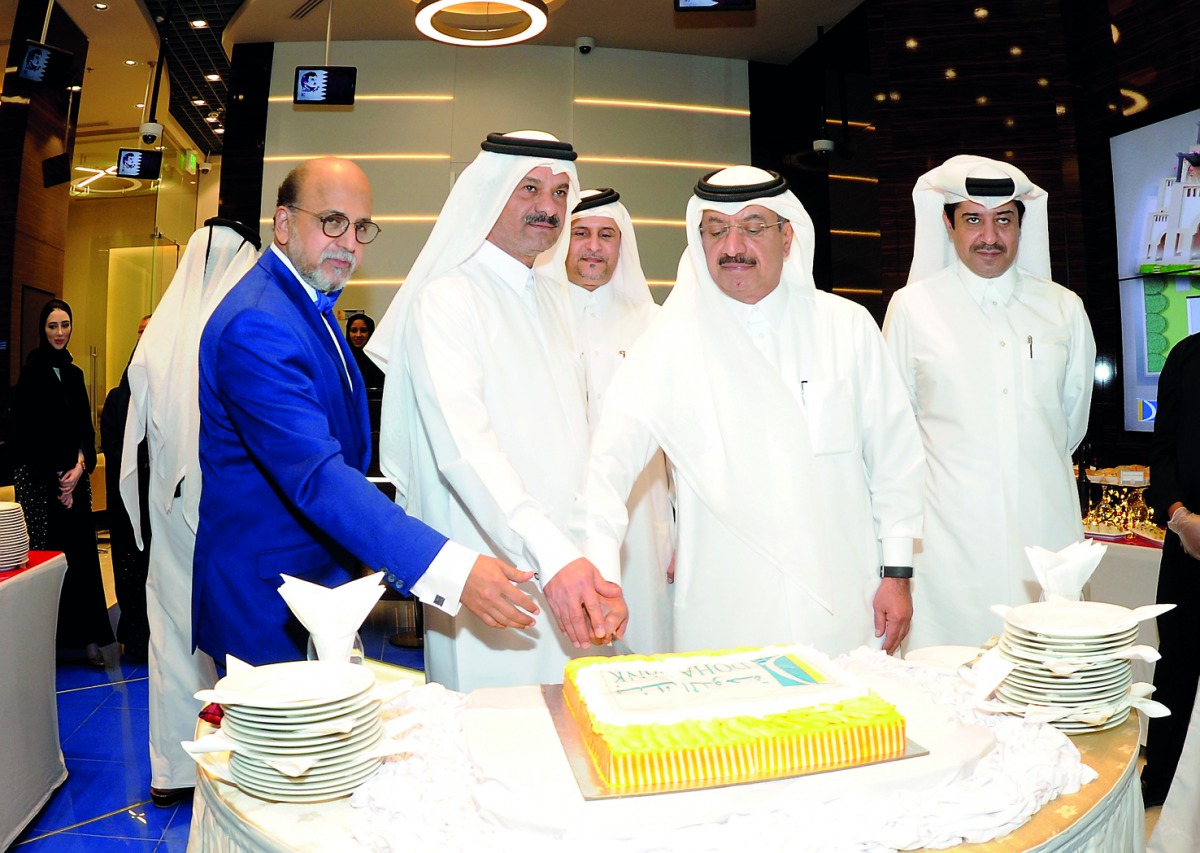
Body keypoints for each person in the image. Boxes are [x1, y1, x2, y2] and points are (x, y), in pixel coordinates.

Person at [193, 157, 539, 672]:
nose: (349, 242)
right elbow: (317, 476)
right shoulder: (258, 323)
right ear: (284, 224)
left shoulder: (311, 301)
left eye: (360, 227)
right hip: (268, 600)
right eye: (331, 221)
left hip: (315, 588)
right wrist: (449, 567)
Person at [574, 166, 924, 655]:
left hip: (842, 599)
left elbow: (895, 461)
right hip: (724, 611)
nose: (732, 245)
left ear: (787, 237)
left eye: (753, 227)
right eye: (716, 230)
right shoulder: (668, 345)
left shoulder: (845, 327)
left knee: (845, 729)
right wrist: (603, 572)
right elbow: (607, 467)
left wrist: (898, 573)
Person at [368, 131, 623, 690]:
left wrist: (585, 554)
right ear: (488, 195)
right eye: (529, 188)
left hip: (568, 566)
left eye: (560, 193)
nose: (548, 207)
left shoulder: (555, 298)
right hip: (493, 571)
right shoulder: (448, 299)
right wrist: (553, 556)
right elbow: (468, 453)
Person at [883, 155, 1096, 650]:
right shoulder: (912, 308)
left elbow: (1071, 423)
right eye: (973, 219)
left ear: (1022, 224)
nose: (990, 236)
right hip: (947, 550)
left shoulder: (1064, 309)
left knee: (1051, 686)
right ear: (948, 224)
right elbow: (896, 431)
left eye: (1004, 219)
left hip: (1044, 539)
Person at [120, 220, 258, 807]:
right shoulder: (251, 319)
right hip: (235, 509)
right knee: (244, 639)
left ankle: (173, 771)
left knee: (174, 638)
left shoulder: (164, 329)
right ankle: (251, 764)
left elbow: (135, 429)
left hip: (174, 508)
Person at [566, 188, 674, 653]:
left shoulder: (657, 323)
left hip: (643, 523)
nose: (593, 246)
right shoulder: (534, 318)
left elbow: (682, 445)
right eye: (581, 234)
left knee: (644, 645)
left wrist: (686, 534)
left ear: (621, 244)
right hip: (560, 511)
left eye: (606, 235)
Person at [9, 299, 115, 666]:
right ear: (43, 329)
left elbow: (86, 429)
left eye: (65, 325)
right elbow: (24, 435)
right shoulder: (31, 372)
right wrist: (59, 483)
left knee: (83, 562)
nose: (59, 333)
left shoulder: (74, 374)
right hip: (41, 487)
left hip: (74, 479)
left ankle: (89, 641)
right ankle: (45, 643)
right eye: (53, 326)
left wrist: (80, 466)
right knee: (48, 564)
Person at [1142, 332, 1200, 808]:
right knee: (1177, 666)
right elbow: (1161, 452)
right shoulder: (1185, 355)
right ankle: (1157, 781)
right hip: (1188, 547)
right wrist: (1180, 516)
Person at [100, 313, 152, 663]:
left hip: (157, 500)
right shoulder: (118, 397)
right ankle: (131, 636)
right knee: (127, 565)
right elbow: (113, 446)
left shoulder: (169, 393)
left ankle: (152, 636)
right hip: (125, 497)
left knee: (153, 567)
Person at [344, 312, 385, 392]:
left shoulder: (378, 359)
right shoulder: (342, 358)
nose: (358, 335)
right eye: (354, 330)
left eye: (363, 330)